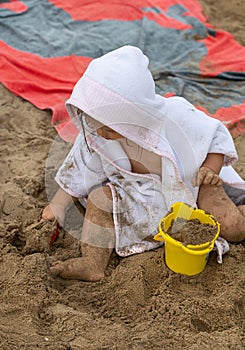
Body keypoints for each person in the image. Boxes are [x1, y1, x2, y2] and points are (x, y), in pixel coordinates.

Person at [42, 46, 245, 281]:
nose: (102, 133)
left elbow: (214, 137)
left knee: (232, 227)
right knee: (99, 200)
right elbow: (79, 168)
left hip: (194, 183)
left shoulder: (177, 116)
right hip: (138, 192)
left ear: (136, 114)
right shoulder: (97, 135)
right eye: (96, 124)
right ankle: (93, 263)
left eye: (111, 126)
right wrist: (57, 205)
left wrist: (210, 169)